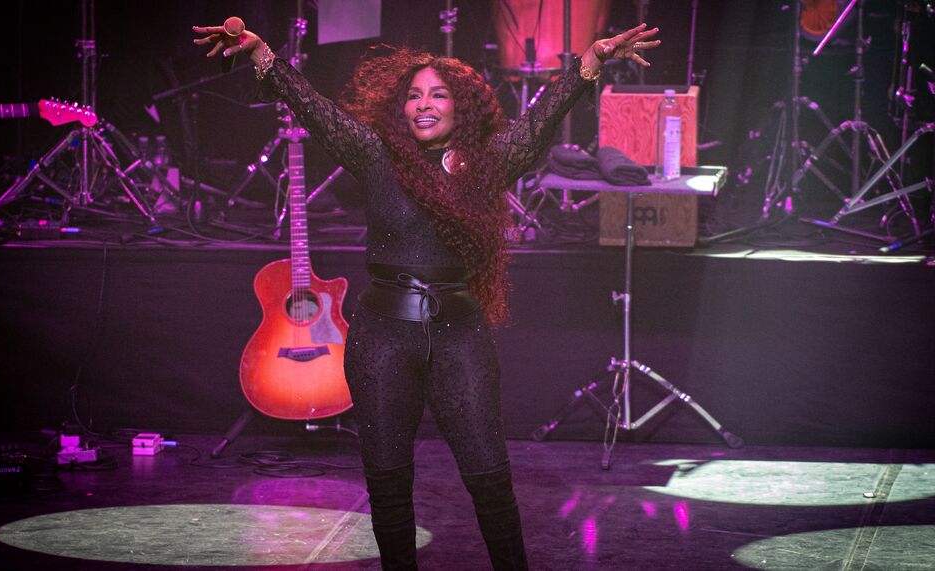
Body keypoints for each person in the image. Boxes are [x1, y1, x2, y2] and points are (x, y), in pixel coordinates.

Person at [194, 19, 659, 570]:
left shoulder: (488, 163)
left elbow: (540, 122)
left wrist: (591, 63)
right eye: (413, 95)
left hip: (459, 332)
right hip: (383, 335)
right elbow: (317, 111)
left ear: (461, 105)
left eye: (437, 94)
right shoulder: (374, 155)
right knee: (388, 488)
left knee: (489, 479)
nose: (423, 104)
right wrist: (262, 54)